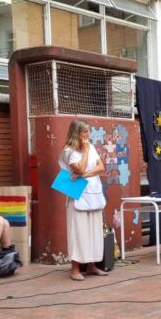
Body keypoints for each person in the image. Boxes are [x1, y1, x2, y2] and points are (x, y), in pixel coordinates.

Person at [59, 120, 108, 281]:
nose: (88, 135)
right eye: (85, 132)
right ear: (76, 133)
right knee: (78, 232)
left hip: (93, 192)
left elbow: (101, 167)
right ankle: (75, 269)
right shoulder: (68, 151)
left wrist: (86, 175)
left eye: (89, 132)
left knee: (93, 230)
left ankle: (92, 265)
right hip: (77, 194)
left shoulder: (92, 147)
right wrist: (85, 151)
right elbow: (78, 168)